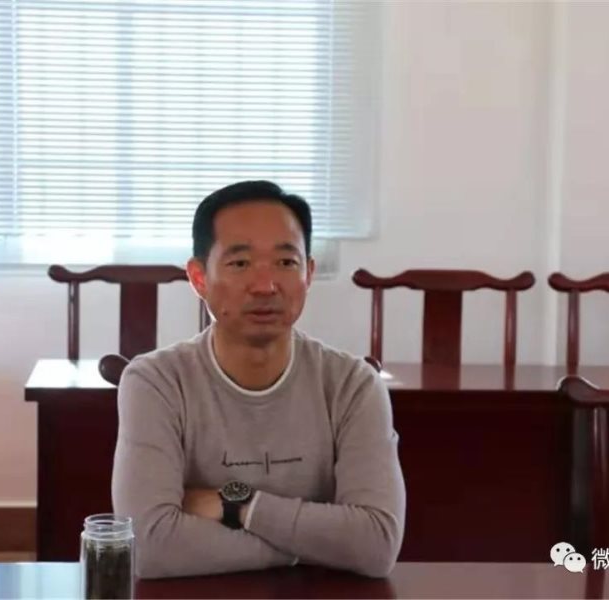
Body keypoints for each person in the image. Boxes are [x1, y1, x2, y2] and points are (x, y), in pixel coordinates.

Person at [111, 180, 405, 579]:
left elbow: (375, 545)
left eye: (285, 263)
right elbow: (149, 547)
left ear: (308, 274)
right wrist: (316, 547)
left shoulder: (353, 385)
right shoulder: (156, 382)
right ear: (199, 277)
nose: (265, 286)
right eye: (240, 263)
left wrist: (238, 504)